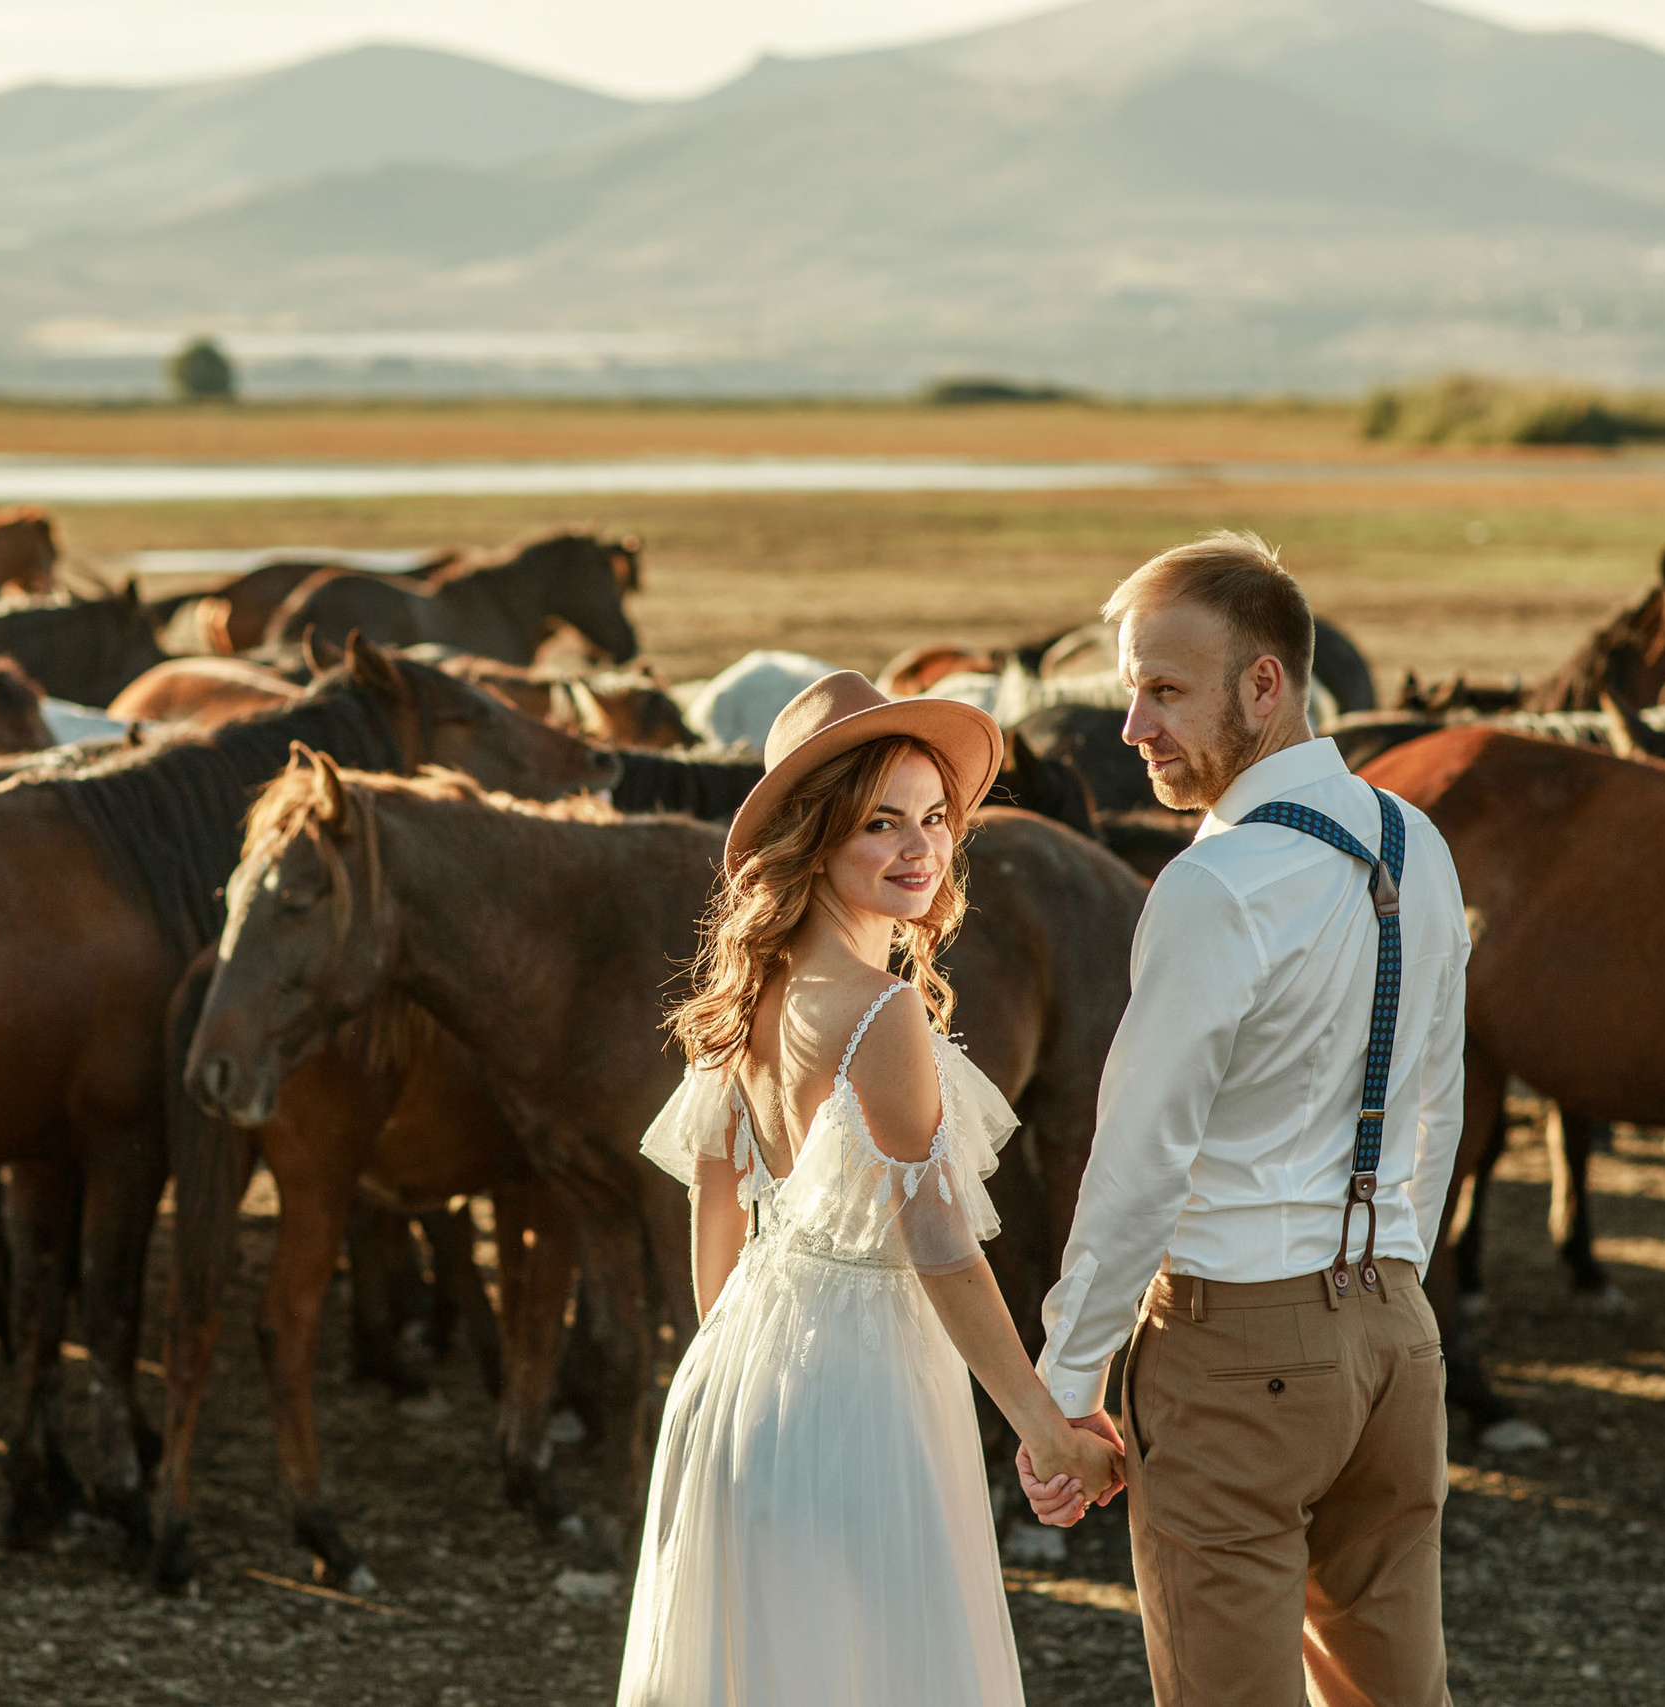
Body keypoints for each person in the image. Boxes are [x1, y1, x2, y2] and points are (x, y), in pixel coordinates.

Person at [1022, 531, 1471, 1706]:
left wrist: (1066, 1387)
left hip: (1236, 1355)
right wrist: (1399, 1274)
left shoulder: (1211, 887)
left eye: (1164, 690)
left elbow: (1137, 1160)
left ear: (1263, 684)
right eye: (1130, 691)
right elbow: (1438, 1095)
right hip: (1397, 1339)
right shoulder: (1415, 840)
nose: (1133, 729)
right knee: (1394, 1694)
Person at [618, 669, 1119, 1706]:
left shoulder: (748, 993)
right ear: (813, 839)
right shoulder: (877, 1011)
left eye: (935, 820)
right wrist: (1044, 1428)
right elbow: (940, 1249)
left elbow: (716, 1231)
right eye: (880, 824)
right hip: (861, 1383)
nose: (919, 848)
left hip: (740, 1372)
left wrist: (747, 1375)